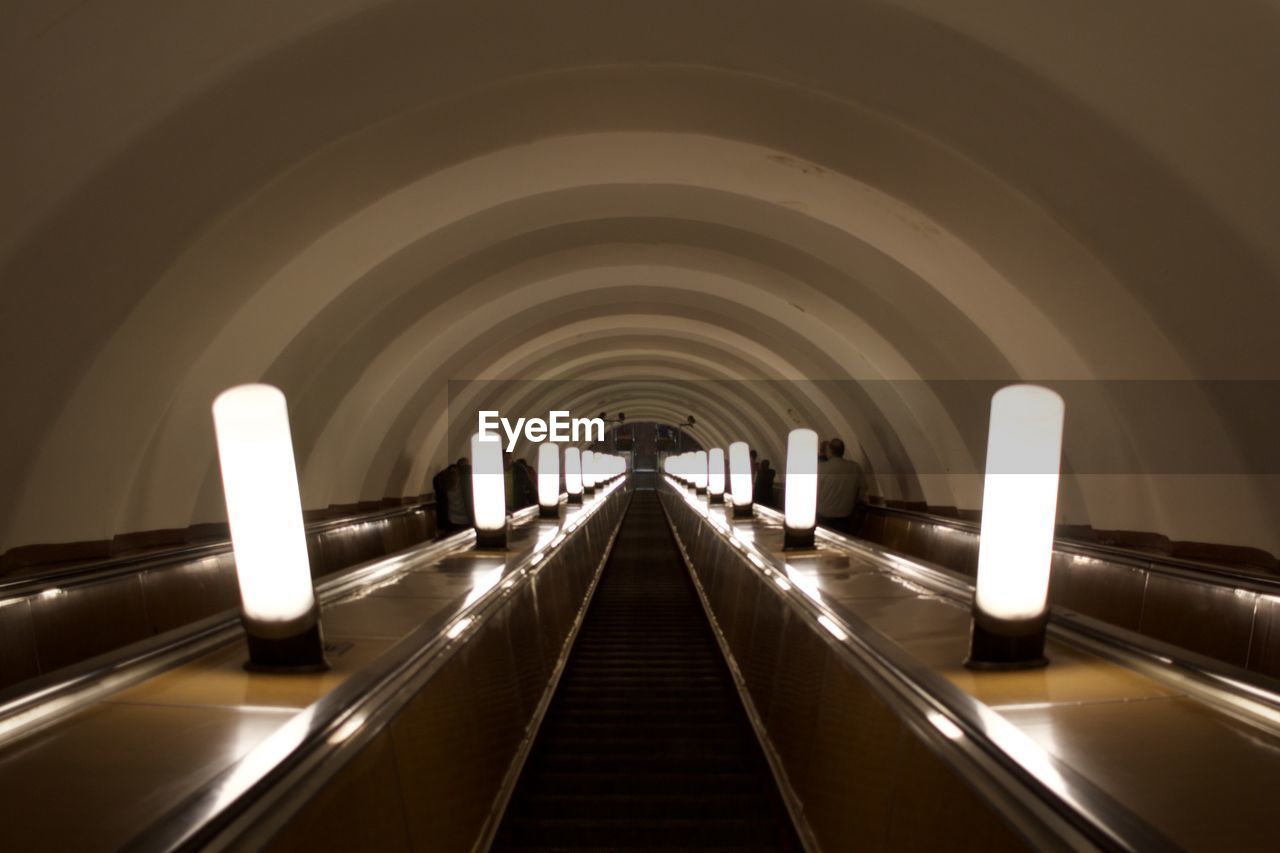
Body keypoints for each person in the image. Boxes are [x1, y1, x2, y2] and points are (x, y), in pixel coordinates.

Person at [816, 437, 865, 534]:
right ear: (843, 450)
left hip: (824, 515)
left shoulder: (820, 468)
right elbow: (862, 490)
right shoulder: (855, 468)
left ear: (829, 451)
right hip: (845, 517)